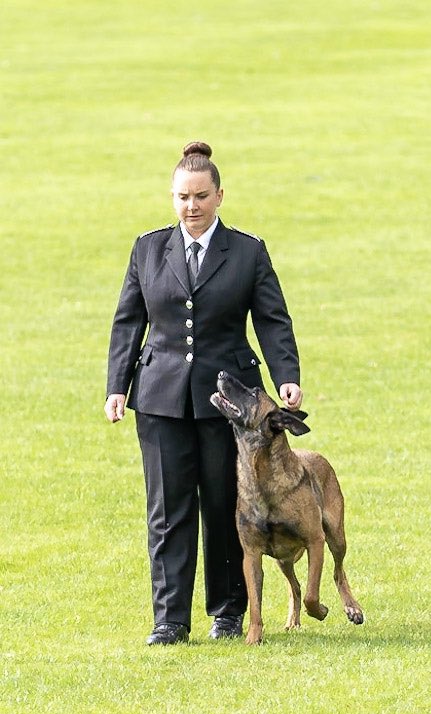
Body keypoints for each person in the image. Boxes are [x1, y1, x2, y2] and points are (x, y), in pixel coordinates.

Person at [105, 141, 303, 645]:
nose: (190, 207)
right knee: (168, 512)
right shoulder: (147, 248)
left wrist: (286, 375)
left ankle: (228, 611)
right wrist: (116, 387)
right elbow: (129, 320)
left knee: (224, 507)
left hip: (229, 406)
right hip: (160, 399)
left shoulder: (248, 251)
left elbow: (273, 319)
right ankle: (169, 620)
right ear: (172, 198)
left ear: (219, 196)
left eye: (200, 196)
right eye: (181, 197)